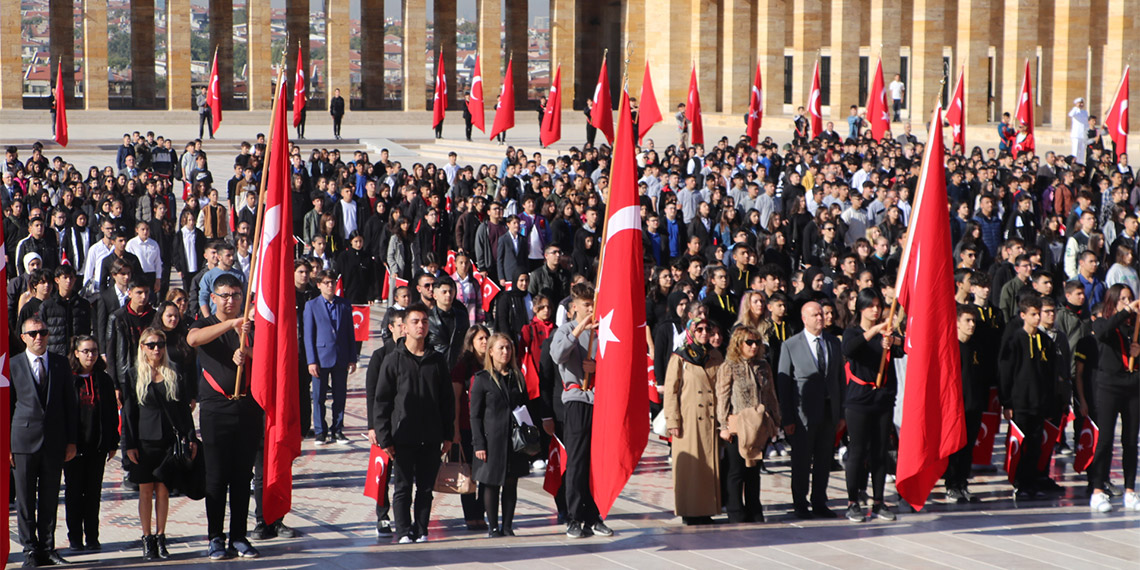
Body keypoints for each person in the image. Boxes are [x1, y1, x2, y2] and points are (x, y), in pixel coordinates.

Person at [187, 273, 262, 560]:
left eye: (236, 295)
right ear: (214, 298)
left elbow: (269, 356)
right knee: (216, 477)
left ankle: (239, 536)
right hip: (216, 409)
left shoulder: (251, 328)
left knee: (242, 477)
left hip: (247, 408)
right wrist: (230, 324)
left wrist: (248, 352)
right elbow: (193, 339)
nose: (231, 301)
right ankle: (215, 536)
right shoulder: (205, 324)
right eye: (225, 296)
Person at [372, 303, 455, 543]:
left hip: (431, 435)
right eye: (415, 322)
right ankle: (403, 530)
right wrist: (384, 438)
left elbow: (447, 400)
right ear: (405, 327)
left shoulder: (437, 360)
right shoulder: (393, 360)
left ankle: (421, 529)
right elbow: (382, 401)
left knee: (426, 489)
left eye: (424, 322)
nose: (421, 326)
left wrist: (448, 434)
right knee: (403, 487)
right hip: (402, 435)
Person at [121, 328, 199, 560]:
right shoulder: (133, 374)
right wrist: (128, 445)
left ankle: (161, 537)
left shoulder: (174, 371)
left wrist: (191, 437)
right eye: (151, 345)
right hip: (143, 441)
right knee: (145, 491)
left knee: (163, 490)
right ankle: (147, 539)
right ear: (142, 347)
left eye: (161, 344)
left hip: (168, 441)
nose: (157, 349)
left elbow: (183, 410)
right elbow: (128, 413)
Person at [470, 333, 553, 537]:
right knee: (491, 483)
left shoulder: (517, 377)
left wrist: (531, 437)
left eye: (508, 348)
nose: (505, 352)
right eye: (501, 348)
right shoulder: (482, 379)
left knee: (511, 482)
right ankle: (493, 527)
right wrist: (479, 444)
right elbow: (475, 415)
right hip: (492, 440)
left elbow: (525, 407)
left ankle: (507, 526)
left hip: (514, 440)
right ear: (491, 351)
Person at [11, 316, 78, 567]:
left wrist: (71, 441)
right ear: (23, 337)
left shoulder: (60, 363)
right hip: (22, 442)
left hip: (53, 441)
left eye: (43, 332)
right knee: (25, 499)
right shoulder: (13, 365)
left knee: (49, 498)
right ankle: (30, 549)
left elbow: (70, 405)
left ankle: (48, 547)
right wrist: (6, 446)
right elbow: (6, 407)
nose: (39, 337)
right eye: (33, 333)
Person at [551, 283, 615, 538]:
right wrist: (578, 331)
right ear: (574, 307)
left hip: (599, 401)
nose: (591, 309)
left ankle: (594, 515)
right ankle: (574, 516)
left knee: (596, 462)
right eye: (586, 305)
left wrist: (597, 367)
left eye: (593, 304)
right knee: (577, 461)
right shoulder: (566, 330)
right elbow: (557, 355)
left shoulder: (603, 332)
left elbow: (613, 363)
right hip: (577, 400)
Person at [776, 301, 844, 519]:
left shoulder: (833, 342)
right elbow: (784, 385)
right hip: (802, 414)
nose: (820, 318)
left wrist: (841, 413)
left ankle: (819, 501)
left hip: (828, 411)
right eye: (815, 315)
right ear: (804, 319)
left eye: (822, 314)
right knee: (802, 461)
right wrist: (787, 418)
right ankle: (800, 502)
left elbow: (840, 379)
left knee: (823, 460)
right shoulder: (791, 345)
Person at [840, 288, 901, 522]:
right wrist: (874, 330)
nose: (875, 310)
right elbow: (849, 348)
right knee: (858, 451)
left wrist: (892, 339)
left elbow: (904, 348)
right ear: (860, 309)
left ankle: (878, 501)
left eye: (877, 305)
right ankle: (853, 501)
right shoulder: (852, 332)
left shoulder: (887, 333)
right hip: (859, 399)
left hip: (882, 398)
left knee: (880, 451)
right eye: (870, 306)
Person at [663, 316, 725, 525]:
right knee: (690, 466)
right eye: (699, 329)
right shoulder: (680, 356)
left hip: (710, 417)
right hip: (688, 419)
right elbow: (671, 391)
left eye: (708, 329)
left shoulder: (715, 355)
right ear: (691, 332)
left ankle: (706, 509)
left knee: (708, 465)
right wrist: (673, 420)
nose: (704, 333)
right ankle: (689, 510)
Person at [716, 326, 780, 523]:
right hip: (738, 424)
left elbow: (771, 395)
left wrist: (775, 421)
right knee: (736, 471)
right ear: (738, 344)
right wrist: (723, 425)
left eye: (757, 342)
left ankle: (754, 510)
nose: (754, 346)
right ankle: (735, 511)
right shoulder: (729, 366)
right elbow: (722, 396)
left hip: (759, 425)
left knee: (754, 471)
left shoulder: (763, 366)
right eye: (749, 342)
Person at [62, 335, 119, 553]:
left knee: (93, 493)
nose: (90, 355)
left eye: (94, 351)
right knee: (74, 493)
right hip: (74, 447)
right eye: (85, 351)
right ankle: (75, 537)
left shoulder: (103, 379)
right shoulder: (68, 379)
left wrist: (112, 442)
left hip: (97, 445)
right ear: (76, 353)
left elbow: (112, 413)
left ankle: (92, 536)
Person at [998, 295, 1057, 500]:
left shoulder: (1046, 341)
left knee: (1035, 446)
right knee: (1020, 446)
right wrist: (1006, 402)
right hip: (1020, 403)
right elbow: (1005, 373)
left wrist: (1050, 403)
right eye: (1033, 314)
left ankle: (1032, 482)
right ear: (1023, 315)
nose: (1037, 318)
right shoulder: (1014, 340)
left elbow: (1050, 374)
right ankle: (1019, 483)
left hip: (1039, 403)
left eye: (1039, 314)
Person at [1088, 284, 1140, 512]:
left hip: (1133, 386)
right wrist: (1125, 311)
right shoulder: (1102, 322)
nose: (1128, 303)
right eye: (1123, 299)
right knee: (1105, 439)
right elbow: (1103, 333)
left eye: (1130, 298)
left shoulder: (1135, 326)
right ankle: (1098, 489)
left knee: (1130, 440)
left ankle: (1130, 490)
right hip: (1109, 386)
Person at [304, 270, 358, 445]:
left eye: (332, 282)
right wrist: (311, 360)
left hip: (340, 356)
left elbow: (350, 333)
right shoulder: (312, 305)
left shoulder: (344, 304)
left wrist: (352, 357)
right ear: (319, 285)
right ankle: (321, 431)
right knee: (319, 397)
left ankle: (338, 430)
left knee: (340, 395)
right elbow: (309, 336)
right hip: (321, 357)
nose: (330, 286)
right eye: (326, 283)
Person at [945, 306, 988, 503]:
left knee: (968, 447)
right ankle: (951, 485)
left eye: (973, 321)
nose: (971, 325)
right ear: (957, 323)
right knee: (954, 448)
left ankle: (963, 483)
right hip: (955, 407)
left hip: (974, 406)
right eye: (967, 321)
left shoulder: (977, 346)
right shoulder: (950, 347)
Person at [450, 324, 490, 530]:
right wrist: (455, 429)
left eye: (486, 338)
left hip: (489, 426)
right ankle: (470, 516)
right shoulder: (463, 366)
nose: (484, 342)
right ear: (471, 342)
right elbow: (455, 399)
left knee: (486, 473)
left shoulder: (493, 363)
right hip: (467, 426)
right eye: (480, 338)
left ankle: (480, 513)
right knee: (469, 472)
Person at [1070, 97, 1090, 164]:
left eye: (1082, 103)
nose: (1081, 104)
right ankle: (1074, 164)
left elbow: (1086, 123)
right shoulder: (1075, 110)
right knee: (1075, 151)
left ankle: (1080, 164)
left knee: (1082, 152)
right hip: (1076, 135)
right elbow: (1070, 114)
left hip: (1083, 135)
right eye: (1079, 103)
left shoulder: (1085, 112)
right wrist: (1076, 107)